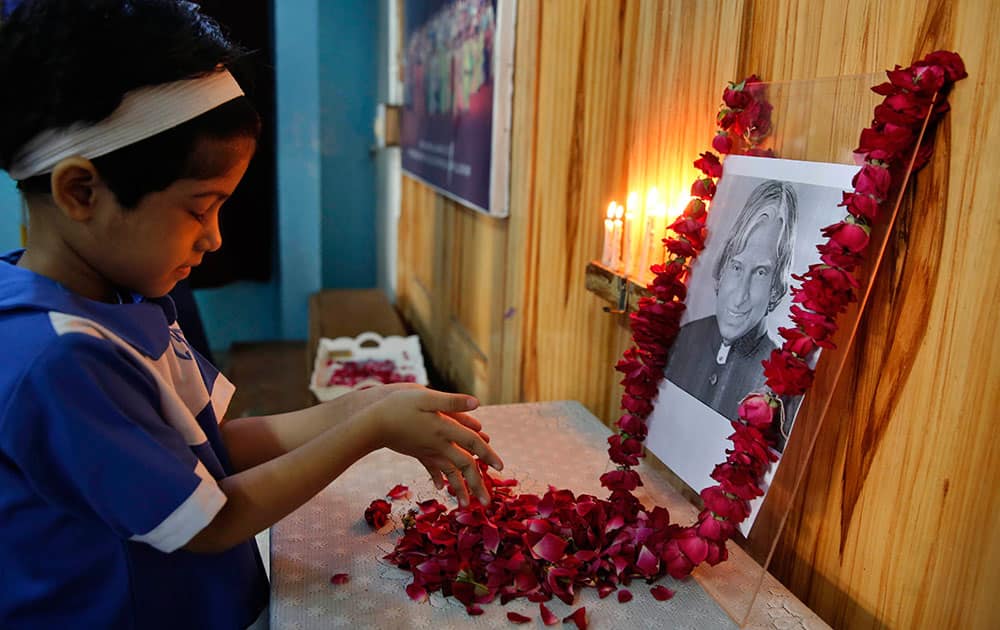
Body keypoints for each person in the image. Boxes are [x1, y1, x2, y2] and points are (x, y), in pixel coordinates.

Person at [0, 2, 503, 628]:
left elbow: (212, 448)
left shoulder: (124, 296)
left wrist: (368, 404)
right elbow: (212, 518)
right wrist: (366, 431)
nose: (214, 238)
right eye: (199, 207)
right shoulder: (59, 356)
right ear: (81, 192)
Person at [665, 179, 800, 449]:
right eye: (737, 267)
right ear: (722, 268)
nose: (740, 297)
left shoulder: (783, 383)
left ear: (776, 288)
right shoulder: (685, 338)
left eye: (761, 273)